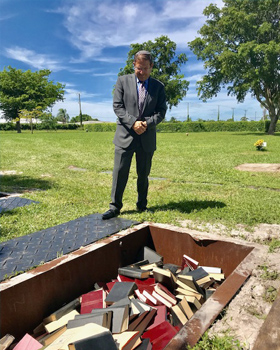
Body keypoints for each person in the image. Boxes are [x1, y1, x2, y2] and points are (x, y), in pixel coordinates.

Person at [102, 50, 167, 220]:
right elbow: (117, 107)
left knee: (143, 173)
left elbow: (161, 111)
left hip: (147, 137)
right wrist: (133, 122)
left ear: (151, 66)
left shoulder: (159, 87)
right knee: (119, 172)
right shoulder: (122, 81)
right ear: (134, 65)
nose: (142, 72)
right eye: (139, 68)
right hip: (125, 136)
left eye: (145, 68)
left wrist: (146, 123)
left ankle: (142, 204)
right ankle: (115, 207)